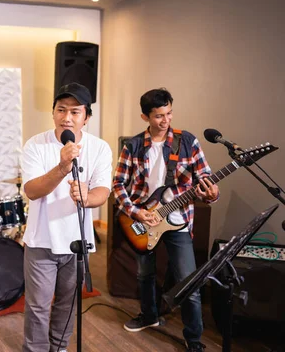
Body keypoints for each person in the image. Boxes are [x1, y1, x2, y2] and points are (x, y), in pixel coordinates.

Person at [112, 88, 219, 352]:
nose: (165, 120)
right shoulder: (134, 146)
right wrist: (135, 211)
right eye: (159, 115)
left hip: (179, 220)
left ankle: (193, 339)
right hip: (142, 219)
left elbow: (205, 178)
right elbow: (118, 183)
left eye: (169, 113)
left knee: (189, 282)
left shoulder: (188, 142)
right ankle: (149, 316)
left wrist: (212, 194)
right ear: (144, 116)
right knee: (144, 275)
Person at [21, 82, 112, 352]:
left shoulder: (100, 148)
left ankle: (59, 348)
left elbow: (102, 192)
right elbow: (31, 190)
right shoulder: (35, 145)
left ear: (86, 117)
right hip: (41, 240)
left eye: (75, 111)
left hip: (77, 242)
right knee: (38, 306)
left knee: (68, 302)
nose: (67, 117)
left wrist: (88, 196)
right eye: (61, 110)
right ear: (53, 113)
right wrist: (62, 167)